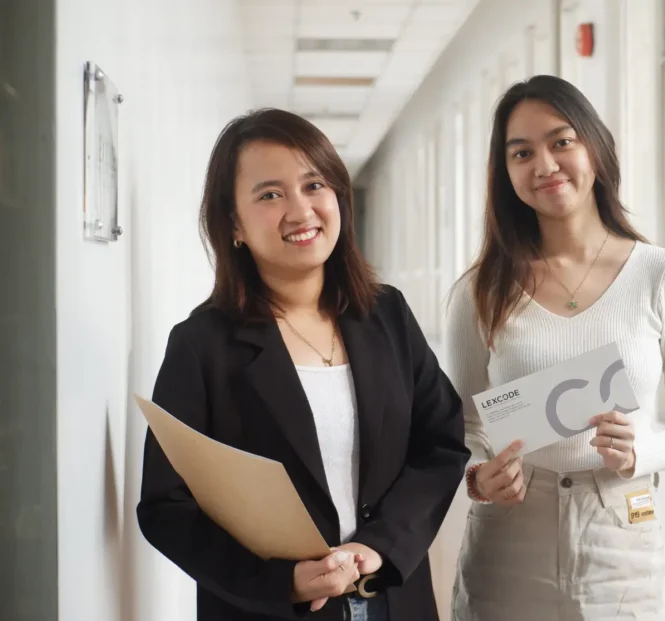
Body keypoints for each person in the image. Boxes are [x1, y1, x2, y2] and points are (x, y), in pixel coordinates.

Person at [137, 108, 470, 621]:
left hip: (393, 599)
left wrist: (381, 546)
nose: (300, 210)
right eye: (270, 194)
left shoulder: (387, 316)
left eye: (314, 185)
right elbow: (165, 507)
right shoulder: (202, 345)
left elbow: (441, 444)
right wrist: (279, 583)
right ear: (233, 226)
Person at [443, 75, 665, 620]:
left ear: (595, 147)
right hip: (510, 531)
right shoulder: (479, 290)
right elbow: (464, 426)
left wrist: (641, 448)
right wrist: (478, 475)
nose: (543, 165)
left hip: (622, 525)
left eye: (560, 141)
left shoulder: (661, 275)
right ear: (505, 173)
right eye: (521, 153)